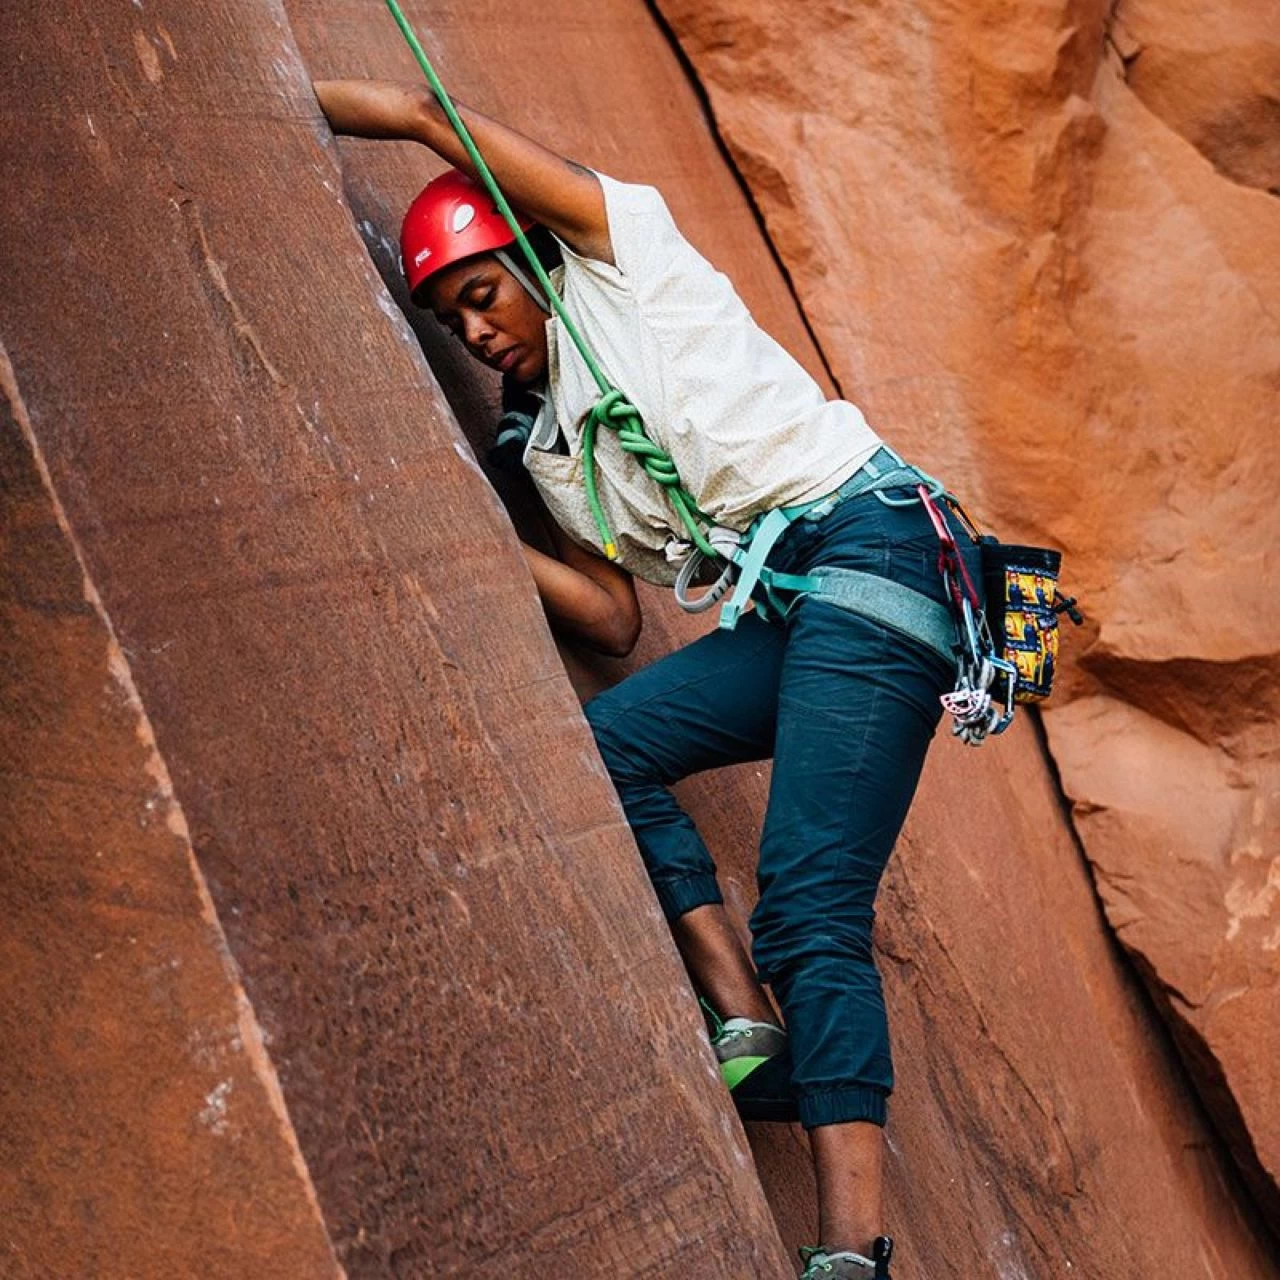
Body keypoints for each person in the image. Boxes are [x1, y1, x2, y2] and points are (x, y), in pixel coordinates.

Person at [315, 77, 982, 1280]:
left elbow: (427, 114)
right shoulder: (549, 438)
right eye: (454, 325)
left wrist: (282, 102)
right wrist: (477, 532)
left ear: (528, 258)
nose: (476, 333)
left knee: (809, 901)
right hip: (800, 603)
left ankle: (851, 1255)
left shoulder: (625, 263)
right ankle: (748, 1023)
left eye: (481, 296)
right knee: (609, 741)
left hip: (874, 542)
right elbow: (612, 616)